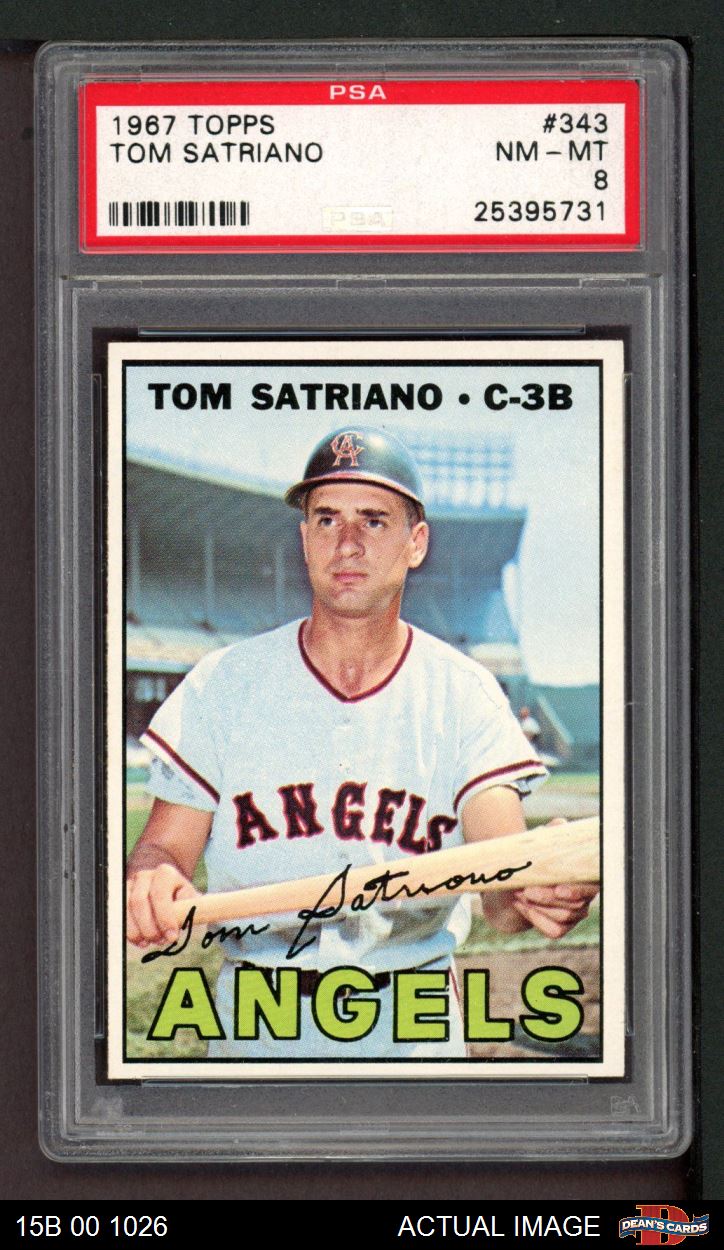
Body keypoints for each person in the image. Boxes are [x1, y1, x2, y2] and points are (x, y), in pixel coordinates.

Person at [126, 426, 598, 1059]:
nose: (346, 543)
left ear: (415, 543)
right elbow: (163, 850)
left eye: (374, 521)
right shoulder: (223, 684)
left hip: (413, 1019)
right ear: (304, 538)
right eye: (326, 519)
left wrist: (538, 892)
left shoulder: (465, 694)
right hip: (260, 1020)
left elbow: (502, 891)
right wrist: (151, 878)